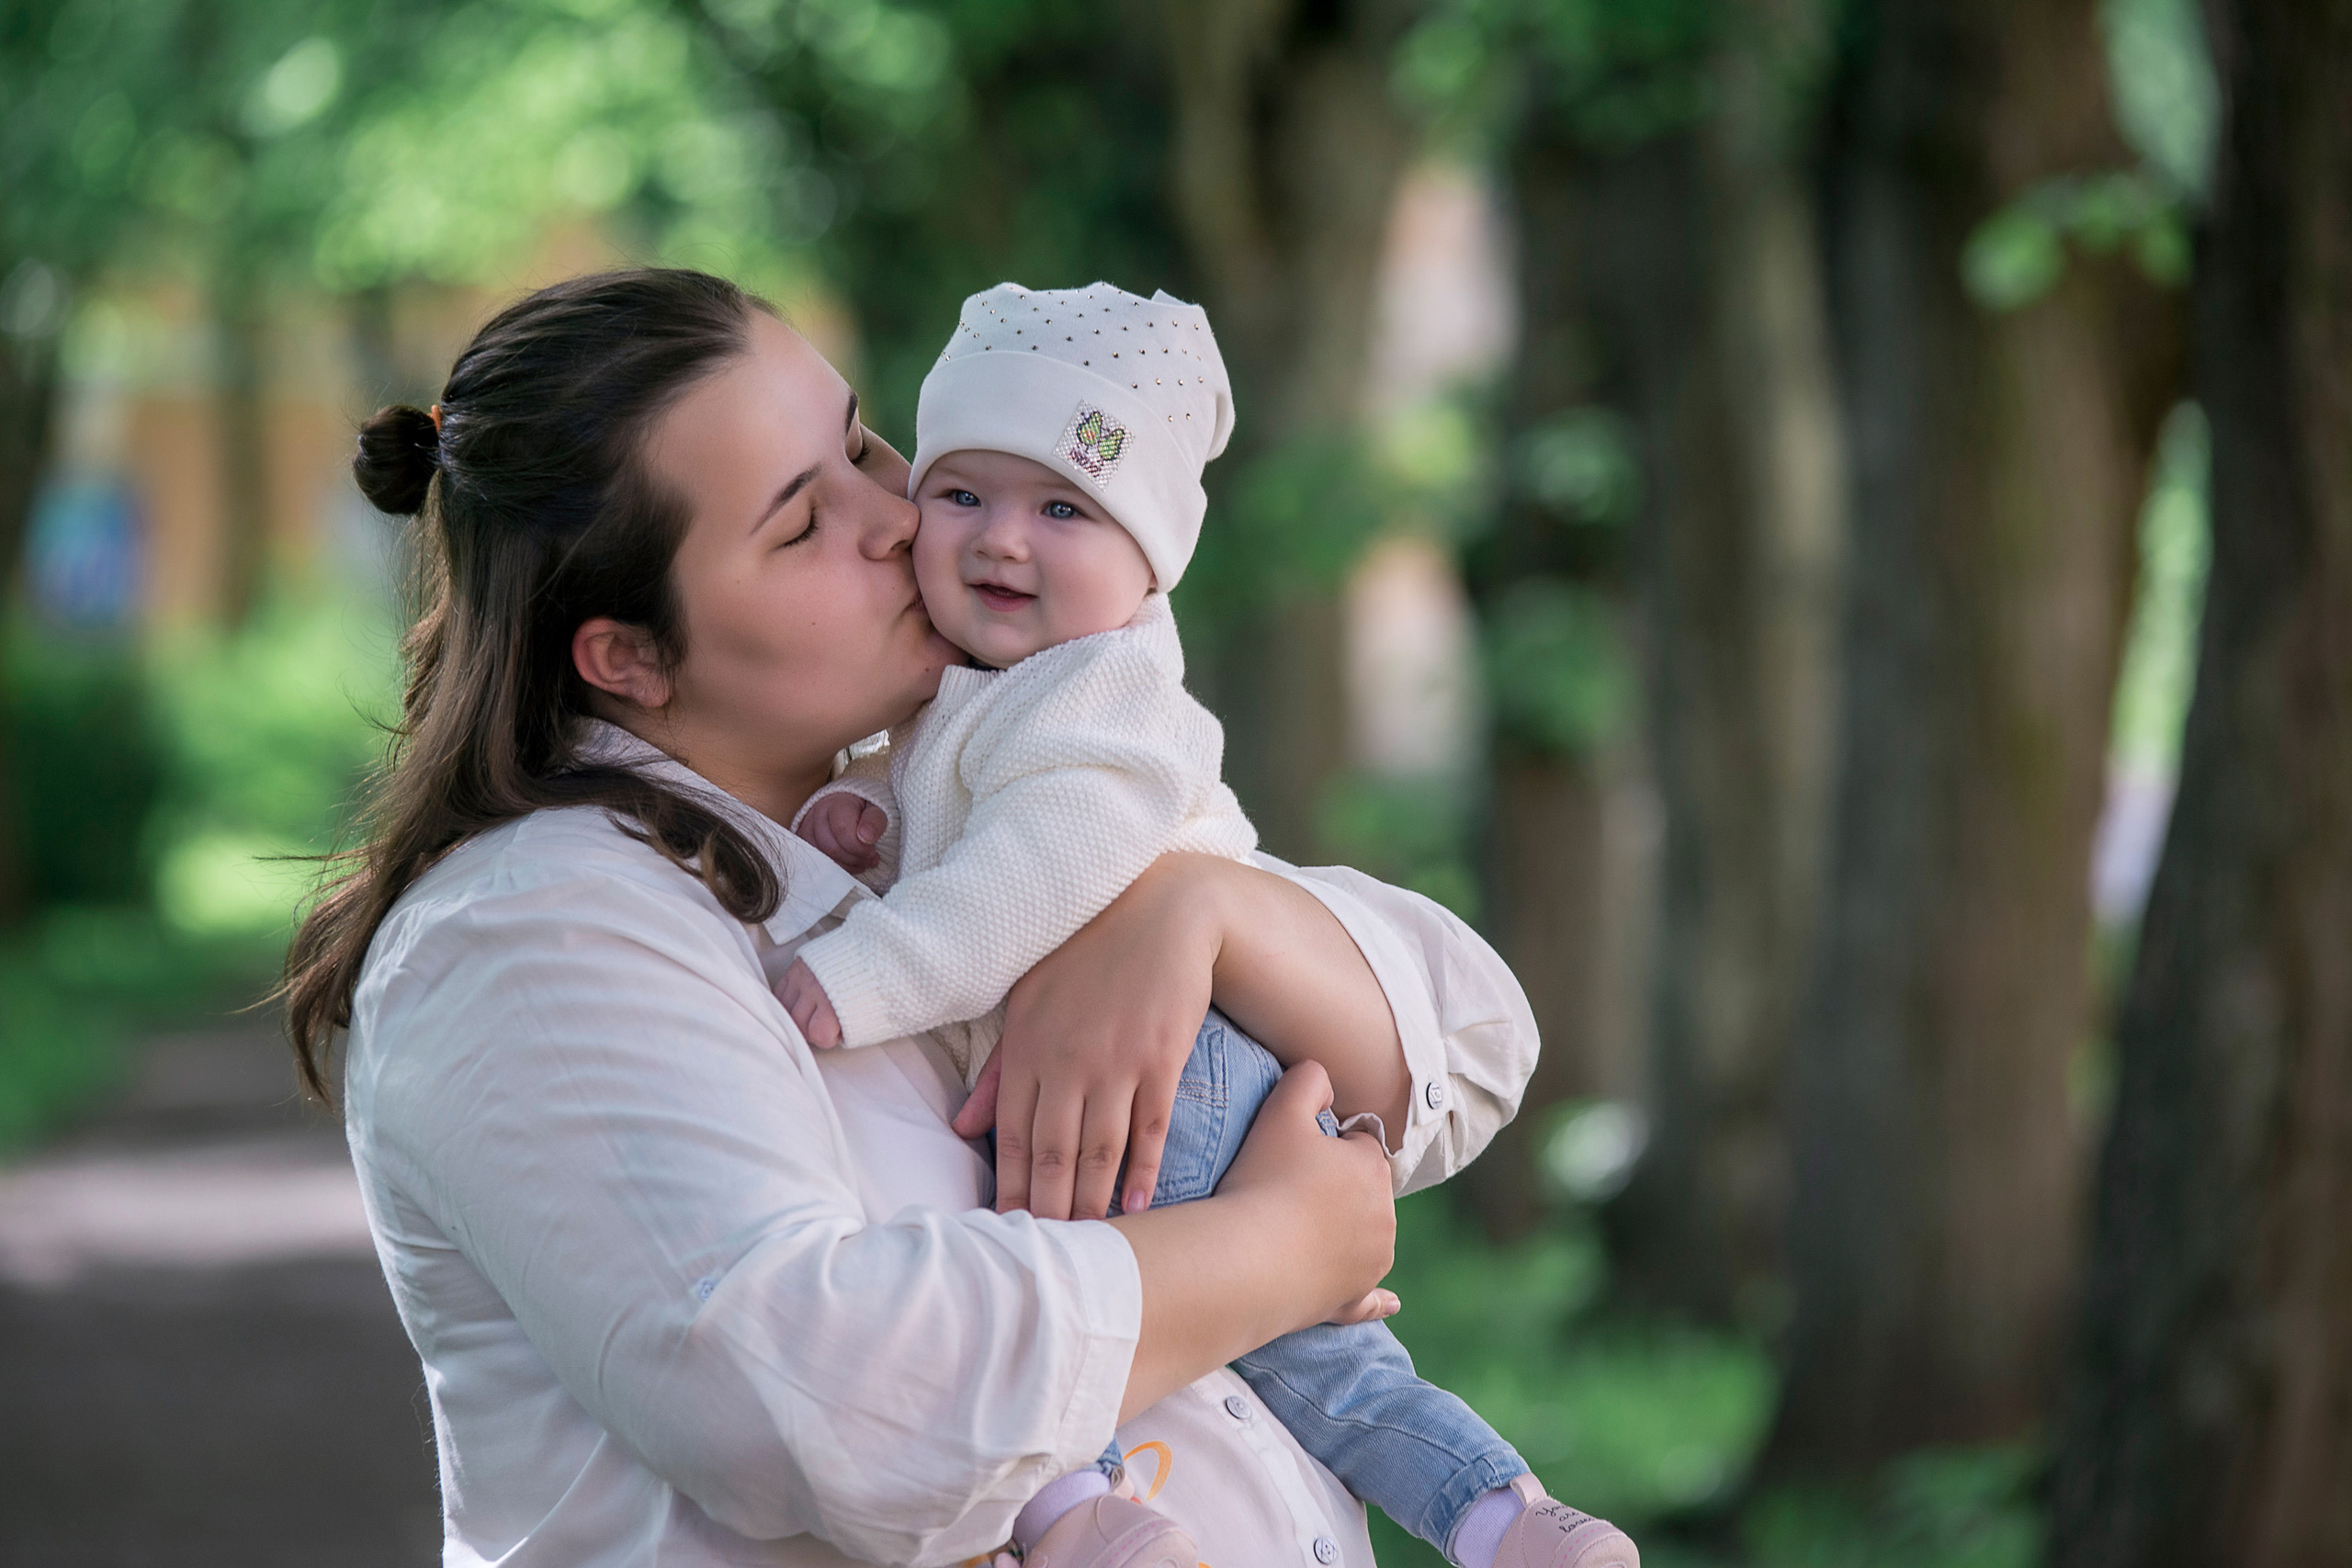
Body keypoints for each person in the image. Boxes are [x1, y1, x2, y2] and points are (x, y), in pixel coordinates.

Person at [288, 267, 1544, 1568]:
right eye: (801, 523)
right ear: (630, 657)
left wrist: (1194, 913)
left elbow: (1473, 1044)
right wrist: (1283, 1247)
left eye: (860, 446)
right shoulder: (530, 936)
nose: (897, 520)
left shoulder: (949, 811)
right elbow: (816, 1395)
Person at [774, 281, 1638, 1568]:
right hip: (1136, 1080)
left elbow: (1032, 873)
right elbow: (953, 823)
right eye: (964, 496)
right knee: (1321, 1359)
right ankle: (1504, 1518)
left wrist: (857, 976)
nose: (1004, 540)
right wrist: (863, 819)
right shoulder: (985, 691)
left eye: (1064, 508)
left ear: (1152, 557)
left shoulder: (1105, 695)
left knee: (1050, 1287)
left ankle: (1093, 1519)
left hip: (1172, 1079)